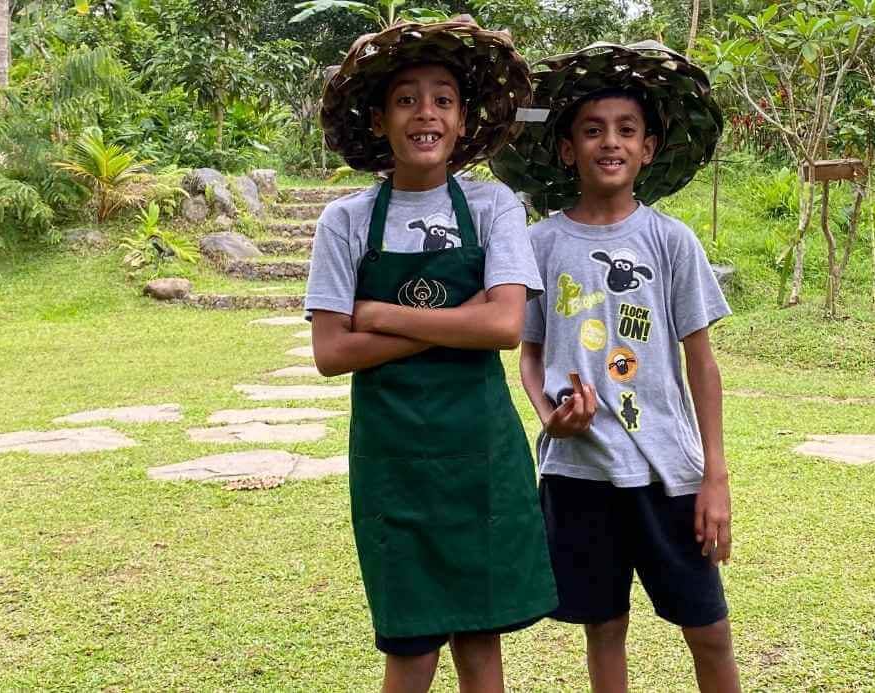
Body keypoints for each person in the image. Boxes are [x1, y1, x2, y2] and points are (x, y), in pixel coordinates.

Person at [305, 18, 557, 693]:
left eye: (443, 99)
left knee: (480, 640)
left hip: (479, 454)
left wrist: (383, 314)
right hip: (393, 464)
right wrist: (457, 319)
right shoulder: (347, 221)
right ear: (382, 119)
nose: (426, 114)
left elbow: (505, 324)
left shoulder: (494, 203)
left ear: (462, 118)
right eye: (407, 99)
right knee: (410, 648)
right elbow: (331, 350)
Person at [491, 41, 740, 692]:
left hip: (669, 471)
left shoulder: (671, 241)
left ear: (649, 149)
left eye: (627, 130)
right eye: (593, 130)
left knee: (708, 629)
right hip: (578, 474)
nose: (611, 142)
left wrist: (715, 476)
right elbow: (531, 353)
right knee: (604, 627)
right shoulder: (540, 244)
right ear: (567, 148)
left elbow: (701, 364)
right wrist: (551, 418)